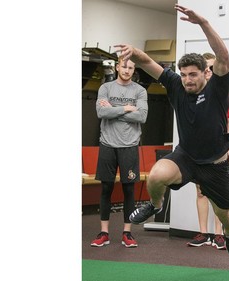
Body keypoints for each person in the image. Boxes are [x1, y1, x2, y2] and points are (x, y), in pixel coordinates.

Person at [116, 4, 229, 256]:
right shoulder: (176, 85)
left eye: (193, 74)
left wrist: (204, 23)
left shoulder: (217, 89)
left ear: (207, 73)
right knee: (156, 175)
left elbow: (224, 56)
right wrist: (134, 52)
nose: (187, 80)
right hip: (186, 157)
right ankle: (155, 205)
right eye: (183, 74)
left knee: (224, 213)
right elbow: (148, 62)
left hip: (214, 164)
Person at [90, 57, 148, 248]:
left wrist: (113, 110)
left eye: (131, 67)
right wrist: (125, 108)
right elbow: (101, 113)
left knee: (129, 189)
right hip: (107, 144)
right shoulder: (105, 88)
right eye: (124, 66)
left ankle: (127, 233)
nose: (127, 70)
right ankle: (104, 233)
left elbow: (142, 116)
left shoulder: (140, 91)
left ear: (134, 70)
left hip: (129, 145)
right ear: (117, 67)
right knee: (106, 188)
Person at [187, 52, 229, 250]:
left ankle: (219, 234)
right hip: (198, 151)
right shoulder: (193, 93)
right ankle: (204, 233)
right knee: (200, 191)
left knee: (218, 194)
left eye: (211, 67)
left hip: (219, 150)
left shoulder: (224, 91)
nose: (208, 71)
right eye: (205, 68)